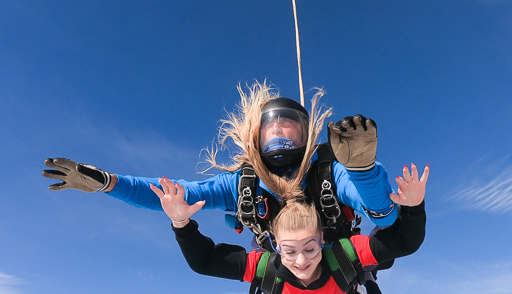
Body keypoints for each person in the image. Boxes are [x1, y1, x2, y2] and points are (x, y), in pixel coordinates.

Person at [43, 81, 397, 251]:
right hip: (284, 266)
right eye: (270, 125)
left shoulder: (329, 171)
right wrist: (109, 183)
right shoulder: (241, 184)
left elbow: (385, 215)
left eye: (288, 122)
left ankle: (358, 290)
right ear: (255, 136)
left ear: (306, 133)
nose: (277, 128)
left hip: (337, 260)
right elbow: (173, 195)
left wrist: (363, 170)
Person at [150, 163, 429, 294]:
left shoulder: (343, 255)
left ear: (322, 241)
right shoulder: (267, 268)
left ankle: (366, 278)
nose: (300, 261)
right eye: (289, 251)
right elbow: (206, 261)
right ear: (276, 247)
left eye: (310, 248)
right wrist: (180, 224)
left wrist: (414, 207)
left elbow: (405, 242)